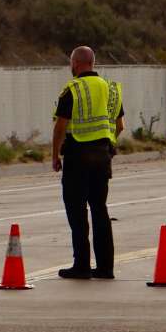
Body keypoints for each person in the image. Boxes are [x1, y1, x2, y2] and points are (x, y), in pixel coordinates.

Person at [51, 46, 124, 279]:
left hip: (77, 157)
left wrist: (55, 155)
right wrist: (109, 144)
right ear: (93, 62)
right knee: (100, 210)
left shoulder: (72, 89)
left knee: (77, 212)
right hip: (102, 157)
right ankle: (105, 267)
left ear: (75, 63)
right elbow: (120, 126)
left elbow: (60, 127)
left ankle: (81, 265)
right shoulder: (110, 89)